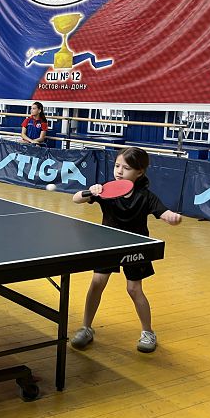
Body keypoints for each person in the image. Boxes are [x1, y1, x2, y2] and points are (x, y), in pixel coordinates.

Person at [70, 147, 182, 353]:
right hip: (108, 244)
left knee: (134, 289)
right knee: (97, 283)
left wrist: (172, 218)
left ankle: (148, 332)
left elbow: (163, 213)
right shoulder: (106, 190)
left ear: (140, 172)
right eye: (117, 166)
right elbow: (76, 199)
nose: (119, 171)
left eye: (126, 168)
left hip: (135, 246)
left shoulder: (145, 196)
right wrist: (91, 191)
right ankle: (86, 328)